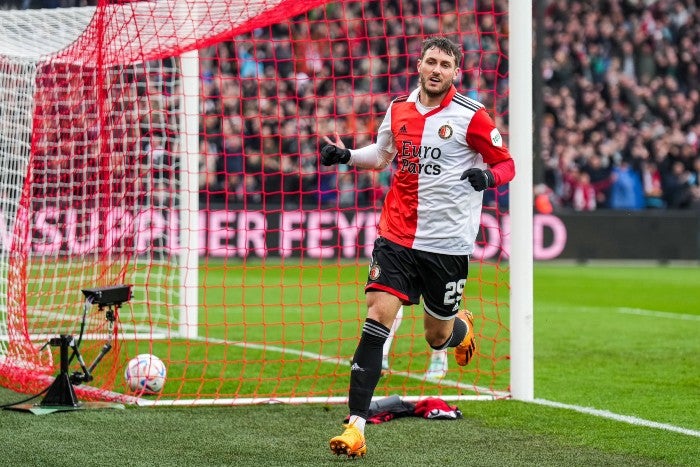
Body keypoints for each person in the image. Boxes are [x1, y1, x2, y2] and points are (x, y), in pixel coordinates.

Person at [321, 36, 516, 458]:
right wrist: (346, 156)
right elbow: (382, 155)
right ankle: (355, 427)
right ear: (419, 64)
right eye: (431, 61)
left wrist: (489, 179)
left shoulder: (472, 117)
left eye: (445, 64)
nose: (436, 69)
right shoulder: (398, 109)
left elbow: (507, 163)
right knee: (377, 317)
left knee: (436, 336)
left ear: (455, 72)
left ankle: (459, 329)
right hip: (397, 235)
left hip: (448, 245)